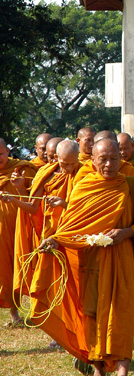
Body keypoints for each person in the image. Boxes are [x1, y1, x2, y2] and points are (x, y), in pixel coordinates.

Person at [31, 138, 134, 376]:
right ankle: (97, 367)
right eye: (103, 159)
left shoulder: (133, 187)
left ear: (121, 158)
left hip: (122, 259)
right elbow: (72, 225)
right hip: (93, 261)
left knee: (122, 313)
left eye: (113, 159)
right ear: (93, 161)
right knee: (92, 312)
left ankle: (122, 369)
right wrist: (55, 239)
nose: (108, 164)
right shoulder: (84, 187)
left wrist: (125, 232)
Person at [11, 140, 82, 300]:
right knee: (46, 276)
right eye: (65, 164)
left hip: (72, 232)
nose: (68, 169)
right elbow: (33, 207)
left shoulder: (84, 174)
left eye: (72, 163)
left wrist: (63, 204)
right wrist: (16, 195)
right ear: (56, 157)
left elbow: (85, 210)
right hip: (47, 231)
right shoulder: (44, 174)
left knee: (74, 277)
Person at [0, 138, 37, 323]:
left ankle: (21, 312)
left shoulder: (22, 169)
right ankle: (13, 314)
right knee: (3, 270)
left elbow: (34, 200)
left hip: (19, 227)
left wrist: (20, 187)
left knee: (17, 268)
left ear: (7, 151)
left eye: (0, 153)